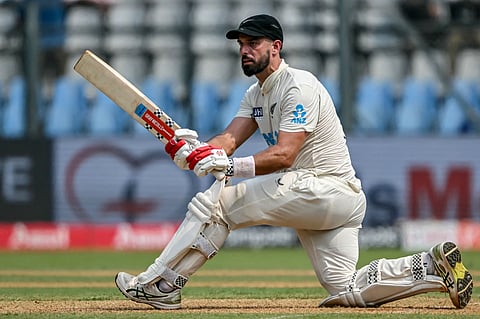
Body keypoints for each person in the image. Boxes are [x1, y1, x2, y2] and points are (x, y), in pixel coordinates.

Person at [115, 14, 473, 310]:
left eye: (253, 43)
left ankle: (162, 284)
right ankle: (429, 265)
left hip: (325, 187)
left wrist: (227, 166)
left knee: (219, 206)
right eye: (241, 44)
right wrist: (196, 150)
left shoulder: (297, 85)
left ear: (276, 47)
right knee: (345, 289)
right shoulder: (256, 94)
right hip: (323, 199)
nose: (244, 50)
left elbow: (285, 154)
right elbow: (229, 140)